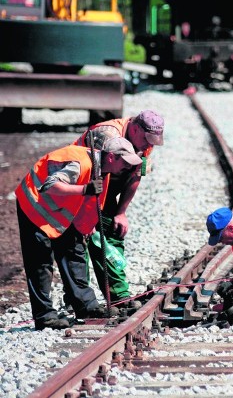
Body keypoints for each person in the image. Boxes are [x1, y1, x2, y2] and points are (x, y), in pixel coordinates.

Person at [15, 137, 143, 330]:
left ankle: (86, 306)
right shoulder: (81, 164)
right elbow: (50, 186)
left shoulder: (103, 170)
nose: (126, 167)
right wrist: (85, 189)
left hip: (60, 210)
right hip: (34, 205)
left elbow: (91, 201)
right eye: (124, 162)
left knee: (74, 251)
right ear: (110, 158)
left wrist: (85, 224)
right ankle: (44, 316)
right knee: (40, 261)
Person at [74, 110, 164, 309]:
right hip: (82, 187)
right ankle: (80, 301)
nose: (149, 145)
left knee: (112, 235)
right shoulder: (106, 136)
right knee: (79, 242)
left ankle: (118, 296)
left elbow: (135, 175)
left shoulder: (145, 143)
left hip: (107, 188)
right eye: (147, 139)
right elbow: (94, 175)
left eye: (153, 141)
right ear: (134, 128)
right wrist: (88, 218)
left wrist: (121, 212)